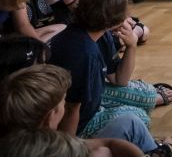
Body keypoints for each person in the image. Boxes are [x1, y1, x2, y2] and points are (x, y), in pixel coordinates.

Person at [48, 0, 169, 154]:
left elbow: (119, 79)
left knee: (148, 95)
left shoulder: (98, 33)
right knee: (138, 118)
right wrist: (70, 149)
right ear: (113, 21)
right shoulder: (84, 55)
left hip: (92, 99)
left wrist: (131, 46)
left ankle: (135, 110)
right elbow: (71, 108)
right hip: (80, 122)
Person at [0, 65, 148, 157]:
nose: (66, 106)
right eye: (64, 102)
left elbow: (108, 142)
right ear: (51, 117)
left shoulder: (14, 142)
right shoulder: (48, 147)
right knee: (103, 152)